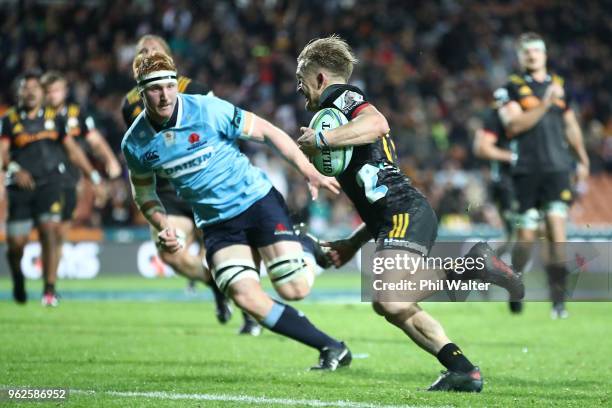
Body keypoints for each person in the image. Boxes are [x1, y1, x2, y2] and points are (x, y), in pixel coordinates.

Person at [295, 36, 524, 391]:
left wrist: (323, 141)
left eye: (302, 79)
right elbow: (373, 187)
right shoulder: (336, 115)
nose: (300, 89)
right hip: (392, 216)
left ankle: (478, 265)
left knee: (390, 296)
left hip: (404, 211)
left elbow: (378, 123)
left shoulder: (340, 98)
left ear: (321, 77)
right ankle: (461, 368)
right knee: (388, 305)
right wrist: (354, 243)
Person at [122, 51, 350, 370]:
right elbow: (143, 192)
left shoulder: (207, 109)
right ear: (141, 92)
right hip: (216, 224)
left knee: (294, 289)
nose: (164, 95)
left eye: (169, 86)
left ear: (177, 84)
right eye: (155, 88)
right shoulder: (135, 142)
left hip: (256, 201)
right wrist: (161, 223)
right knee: (245, 296)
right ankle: (330, 346)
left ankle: (307, 245)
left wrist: (307, 169)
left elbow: (268, 133)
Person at [121, 35, 256, 333]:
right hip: (169, 190)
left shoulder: (192, 90)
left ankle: (249, 309)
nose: (147, 54)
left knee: (224, 250)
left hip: (205, 181)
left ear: (169, 59)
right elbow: (139, 149)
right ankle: (214, 284)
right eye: (142, 51)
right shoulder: (129, 102)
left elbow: (224, 125)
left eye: (154, 50)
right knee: (170, 252)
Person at [498, 32, 590, 319]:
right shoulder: (510, 88)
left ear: (545, 55)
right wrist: (546, 103)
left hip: (557, 169)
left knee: (556, 233)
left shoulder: (559, 87)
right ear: (520, 56)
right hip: (526, 170)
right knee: (525, 237)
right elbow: (514, 124)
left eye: (537, 50)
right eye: (527, 51)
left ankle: (558, 301)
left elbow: (570, 124)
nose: (533, 55)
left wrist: (583, 159)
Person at [1, 71, 100, 306]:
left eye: (35, 87)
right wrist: (14, 169)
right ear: (19, 92)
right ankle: (18, 279)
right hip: (20, 188)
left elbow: (73, 150)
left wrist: (92, 174)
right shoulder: (9, 120)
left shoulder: (55, 118)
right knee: (16, 244)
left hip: (50, 184)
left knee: (51, 232)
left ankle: (49, 289)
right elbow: (2, 153)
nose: (31, 91)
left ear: (40, 92)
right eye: (26, 87)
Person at [42, 70, 121, 274]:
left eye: (57, 90)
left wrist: (111, 160)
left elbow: (94, 140)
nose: (53, 95)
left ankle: (52, 276)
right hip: (43, 174)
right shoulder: (37, 116)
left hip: (73, 173)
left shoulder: (77, 114)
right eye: (49, 91)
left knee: (68, 220)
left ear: (65, 91)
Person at [472, 89, 521, 313]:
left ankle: (484, 267)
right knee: (518, 234)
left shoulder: (523, 121)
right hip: (506, 184)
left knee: (518, 236)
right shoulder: (494, 119)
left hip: (523, 183)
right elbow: (480, 147)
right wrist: (510, 157)